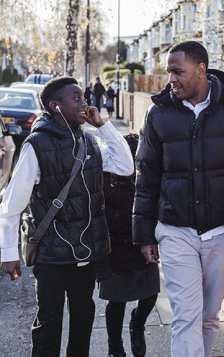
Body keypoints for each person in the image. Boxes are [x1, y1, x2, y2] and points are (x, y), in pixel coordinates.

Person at [132, 40, 224, 357]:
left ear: (201, 70)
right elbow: (146, 176)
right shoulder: (158, 114)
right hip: (175, 230)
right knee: (186, 317)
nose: (171, 79)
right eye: (169, 72)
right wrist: (143, 234)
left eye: (177, 71)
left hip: (221, 233)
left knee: (208, 318)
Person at [0, 76, 134, 357]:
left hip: (85, 253)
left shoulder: (90, 141)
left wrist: (103, 126)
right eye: (76, 98)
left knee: (83, 323)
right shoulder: (36, 145)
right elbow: (11, 205)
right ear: (55, 106)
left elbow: (124, 166)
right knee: (48, 325)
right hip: (50, 255)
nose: (84, 103)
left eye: (84, 97)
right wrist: (8, 252)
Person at [98, 133, 160, 357]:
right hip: (112, 246)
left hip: (141, 242)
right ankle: (115, 347)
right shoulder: (102, 176)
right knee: (116, 302)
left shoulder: (146, 177)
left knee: (150, 294)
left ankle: (137, 324)